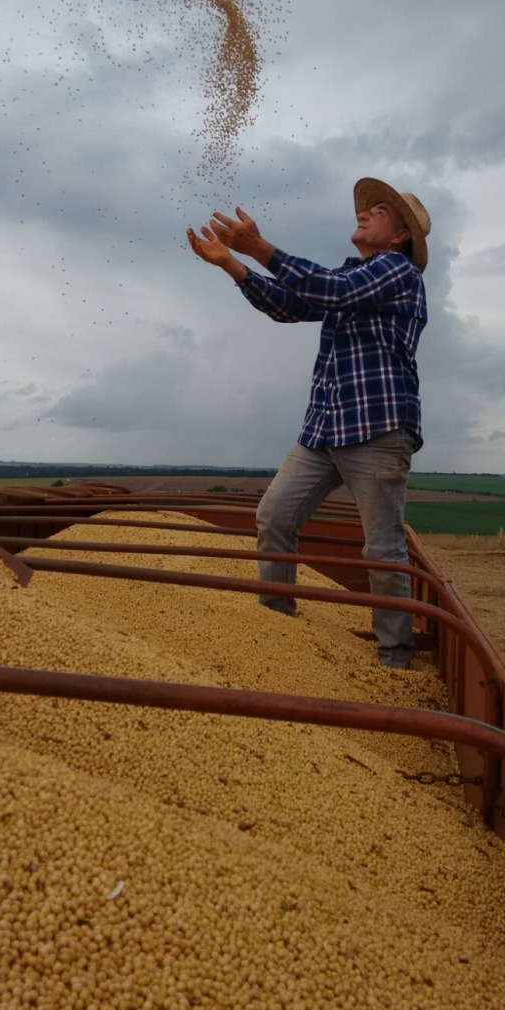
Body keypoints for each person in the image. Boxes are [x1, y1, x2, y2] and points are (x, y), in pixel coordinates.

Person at [186, 177, 430, 670]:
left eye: (378, 211)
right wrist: (233, 265)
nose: (364, 214)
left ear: (399, 235)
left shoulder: (398, 272)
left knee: (382, 547)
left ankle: (395, 658)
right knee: (274, 516)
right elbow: (290, 305)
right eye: (366, 208)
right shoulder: (350, 276)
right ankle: (276, 625)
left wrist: (260, 247)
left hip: (378, 427)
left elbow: (330, 289)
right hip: (324, 427)